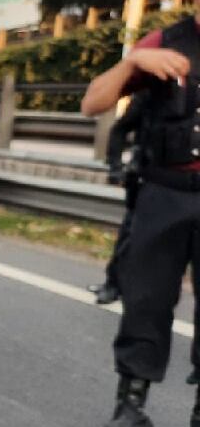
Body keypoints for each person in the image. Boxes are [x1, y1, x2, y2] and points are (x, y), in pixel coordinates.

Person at [81, 0, 200, 427]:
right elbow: (93, 103)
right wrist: (133, 60)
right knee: (147, 300)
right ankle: (130, 406)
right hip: (164, 192)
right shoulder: (164, 45)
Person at [88, 93, 148, 305]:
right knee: (131, 232)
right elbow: (120, 129)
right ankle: (113, 284)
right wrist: (116, 167)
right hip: (150, 179)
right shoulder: (156, 89)